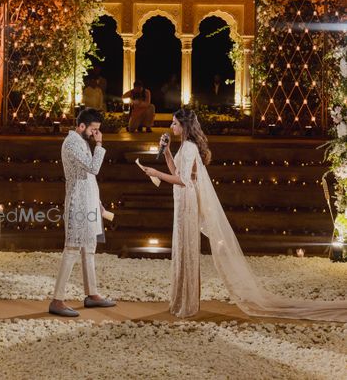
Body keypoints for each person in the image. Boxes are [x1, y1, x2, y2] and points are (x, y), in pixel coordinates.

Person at [141, 108, 347, 321]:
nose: (171, 127)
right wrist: (166, 152)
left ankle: (188, 303)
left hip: (187, 203)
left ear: (184, 126)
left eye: (174, 123)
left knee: (187, 248)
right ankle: (180, 300)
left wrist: (156, 174)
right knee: (181, 247)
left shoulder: (191, 147)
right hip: (181, 200)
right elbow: (176, 172)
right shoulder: (183, 145)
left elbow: (183, 180)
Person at [49, 108, 116, 317]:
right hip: (78, 203)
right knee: (72, 249)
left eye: (97, 131)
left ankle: (92, 294)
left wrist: (98, 203)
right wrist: (100, 145)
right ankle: (57, 300)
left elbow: (90, 178)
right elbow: (94, 169)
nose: (95, 133)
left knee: (89, 248)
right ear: (81, 126)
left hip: (89, 202)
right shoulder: (71, 144)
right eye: (93, 129)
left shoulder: (81, 142)